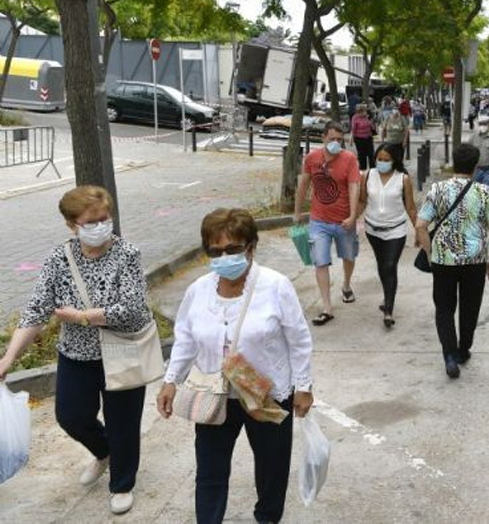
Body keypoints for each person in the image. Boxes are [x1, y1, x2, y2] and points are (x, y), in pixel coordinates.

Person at [0, 186, 151, 515]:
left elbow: (134, 309)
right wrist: (8, 359)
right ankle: (104, 452)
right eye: (91, 221)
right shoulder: (59, 259)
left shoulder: (128, 254)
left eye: (104, 218)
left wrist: (82, 316)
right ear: (72, 225)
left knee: (123, 422)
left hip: (122, 351)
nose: (100, 225)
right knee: (70, 416)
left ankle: (122, 483)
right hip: (76, 356)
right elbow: (36, 311)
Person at [156, 209, 313, 524]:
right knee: (210, 471)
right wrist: (170, 380)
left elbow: (299, 340)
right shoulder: (198, 290)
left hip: (266, 392)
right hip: (214, 394)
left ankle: (267, 517)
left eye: (232, 249)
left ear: (251, 247)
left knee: (271, 468)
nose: (224, 256)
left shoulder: (276, 286)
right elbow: (185, 338)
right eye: (215, 251)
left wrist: (304, 387)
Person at [415, 143, 489, 378]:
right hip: (475, 261)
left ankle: (449, 355)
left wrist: (430, 252)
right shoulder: (484, 193)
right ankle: (464, 349)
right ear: (475, 166)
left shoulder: (437, 190)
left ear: (453, 162)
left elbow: (420, 225)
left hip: (443, 260)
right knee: (470, 306)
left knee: (444, 308)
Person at [294, 121, 361, 325]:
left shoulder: (349, 159)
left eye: (340, 140)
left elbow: (354, 187)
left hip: (343, 221)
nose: (336, 143)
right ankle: (327, 307)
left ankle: (347, 285)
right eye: (332, 139)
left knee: (348, 256)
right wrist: (297, 211)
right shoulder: (312, 158)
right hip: (319, 221)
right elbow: (304, 184)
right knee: (320, 261)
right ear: (323, 137)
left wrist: (352, 216)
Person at [357, 143, 417, 328]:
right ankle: (387, 295)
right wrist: (352, 220)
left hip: (396, 229)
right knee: (382, 265)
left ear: (395, 160)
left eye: (386, 160)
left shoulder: (403, 179)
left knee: (390, 265)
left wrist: (419, 230)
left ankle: (388, 310)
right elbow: (362, 201)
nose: (381, 162)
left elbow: (411, 207)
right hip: (373, 229)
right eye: (379, 159)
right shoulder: (367, 175)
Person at [350, 103, 376, 171]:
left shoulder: (366, 117)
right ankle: (363, 171)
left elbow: (371, 126)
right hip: (359, 139)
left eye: (366, 110)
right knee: (362, 155)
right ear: (360, 111)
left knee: (371, 154)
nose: (366, 112)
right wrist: (351, 138)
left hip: (368, 137)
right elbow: (353, 128)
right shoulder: (355, 117)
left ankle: (372, 170)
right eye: (364, 110)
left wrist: (371, 122)